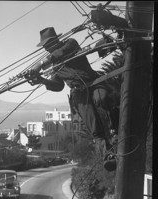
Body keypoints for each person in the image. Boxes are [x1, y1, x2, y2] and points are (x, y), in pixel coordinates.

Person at [24, 27, 118, 171]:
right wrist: (42, 80)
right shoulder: (55, 67)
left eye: (49, 45)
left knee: (102, 99)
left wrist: (40, 65)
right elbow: (58, 85)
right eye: (46, 47)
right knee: (95, 129)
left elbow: (58, 53)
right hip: (79, 95)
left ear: (56, 41)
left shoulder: (70, 44)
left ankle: (116, 129)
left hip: (93, 83)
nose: (47, 49)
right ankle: (108, 156)